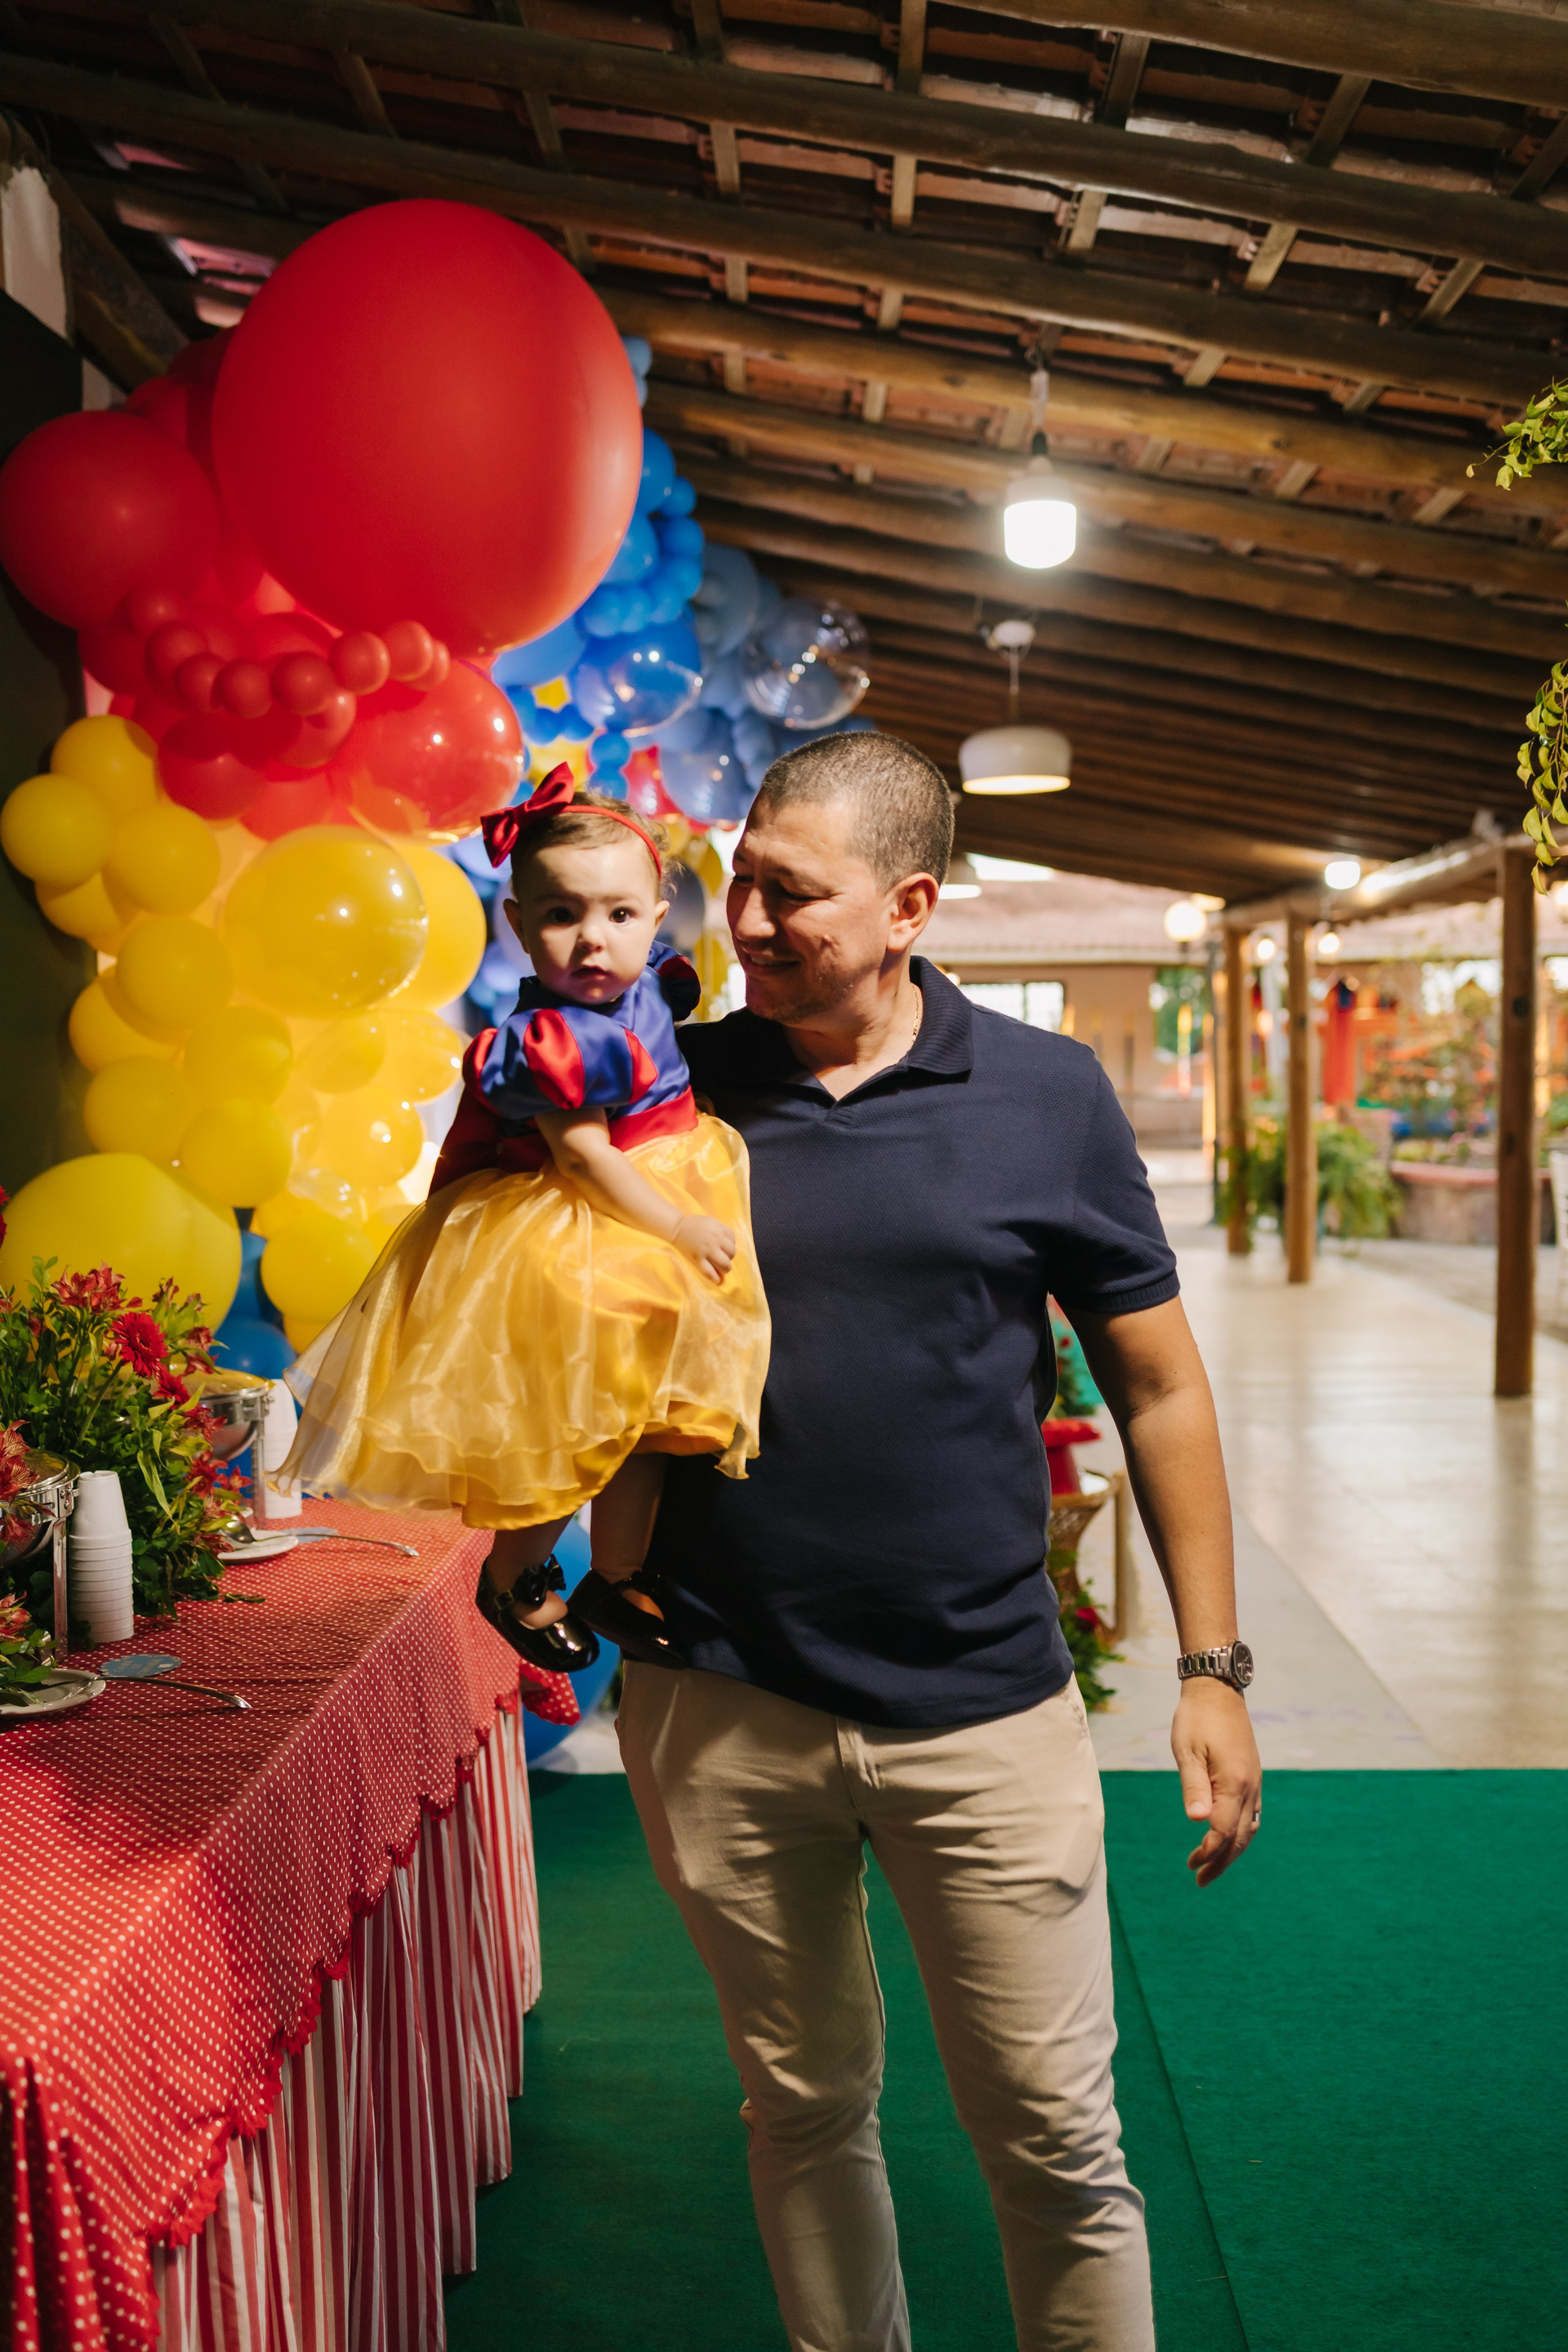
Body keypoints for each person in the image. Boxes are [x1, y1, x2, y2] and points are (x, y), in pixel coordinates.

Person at [618, 733, 1262, 2352]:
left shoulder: (1044, 1097)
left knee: (1055, 2138)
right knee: (800, 2108)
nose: (747, 921)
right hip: (718, 1695)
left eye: (792, 893)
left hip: (982, 1706)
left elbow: (1160, 1387)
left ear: (909, 907)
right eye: (741, 881)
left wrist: (1212, 1667)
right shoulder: (664, 1090)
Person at [280, 764, 770, 1670]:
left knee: (649, 1417)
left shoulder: (639, 986)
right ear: (517, 923)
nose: (593, 940)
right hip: (583, 1216)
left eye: (619, 914)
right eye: (561, 915)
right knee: (576, 1423)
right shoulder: (554, 1038)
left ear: (657, 918)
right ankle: (513, 1576)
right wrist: (679, 1227)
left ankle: (618, 1572)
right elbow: (583, 1157)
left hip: (650, 1184)